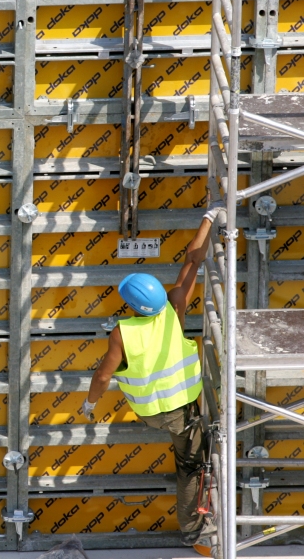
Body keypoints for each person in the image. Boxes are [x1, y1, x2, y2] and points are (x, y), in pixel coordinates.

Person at [82, 205, 225, 549]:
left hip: (151, 415)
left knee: (186, 456)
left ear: (131, 305)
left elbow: (103, 376)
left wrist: (89, 404)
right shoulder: (175, 306)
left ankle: (194, 525)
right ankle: (193, 530)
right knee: (191, 467)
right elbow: (193, 259)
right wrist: (208, 218)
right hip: (183, 415)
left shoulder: (122, 332)